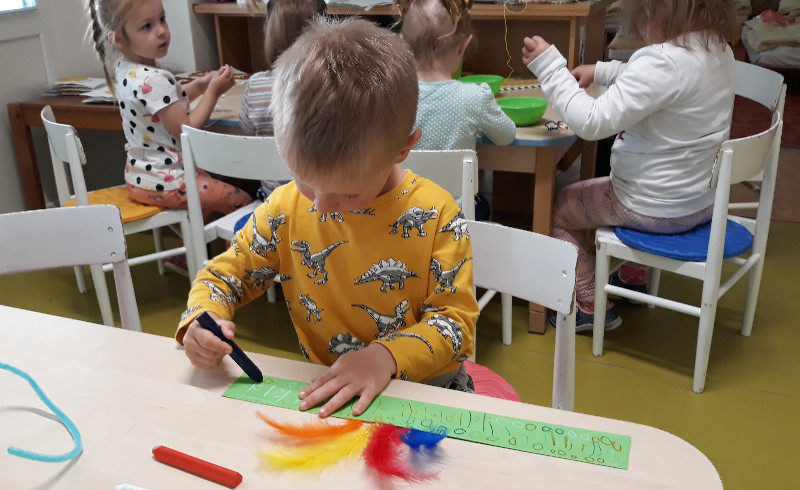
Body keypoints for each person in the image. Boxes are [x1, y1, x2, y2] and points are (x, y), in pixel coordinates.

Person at [177, 17, 479, 418]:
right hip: (333, 397)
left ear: (402, 149)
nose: (320, 207)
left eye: (348, 193)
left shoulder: (438, 215)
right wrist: (203, 318)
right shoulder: (285, 209)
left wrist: (384, 357)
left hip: (427, 397)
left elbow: (456, 325)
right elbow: (222, 276)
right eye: (304, 181)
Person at [521, 0, 736, 332]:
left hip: (653, 207)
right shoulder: (717, 48)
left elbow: (591, 121)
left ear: (654, 12)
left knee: (555, 208)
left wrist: (550, 68)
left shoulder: (663, 62)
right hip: (701, 202)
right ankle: (633, 275)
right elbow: (657, 80)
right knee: (635, 186)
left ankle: (590, 303)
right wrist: (602, 71)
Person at [88, 0, 252, 217]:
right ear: (118, 39)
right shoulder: (153, 79)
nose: (161, 31)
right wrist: (213, 92)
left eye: (162, 19)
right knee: (242, 200)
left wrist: (200, 85)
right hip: (168, 181)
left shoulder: (127, 70)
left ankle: (192, 240)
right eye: (147, 26)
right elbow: (187, 129)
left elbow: (164, 104)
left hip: (141, 178)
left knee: (208, 198)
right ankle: (224, 241)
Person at [396, 0, 516, 220]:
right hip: (455, 218)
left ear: (403, 43)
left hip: (405, 214)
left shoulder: (393, 97)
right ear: (463, 45)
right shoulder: (475, 97)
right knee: (482, 205)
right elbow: (506, 135)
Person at [238, 0, 327, 200]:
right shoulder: (329, 85)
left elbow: (247, 129)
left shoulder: (256, 84)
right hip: (319, 201)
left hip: (272, 199)